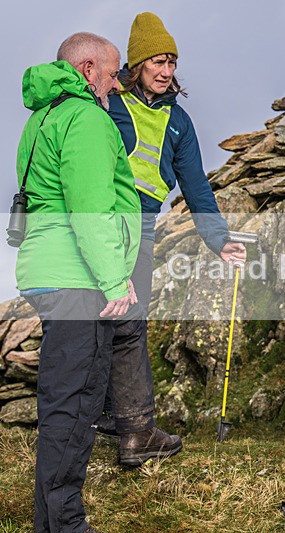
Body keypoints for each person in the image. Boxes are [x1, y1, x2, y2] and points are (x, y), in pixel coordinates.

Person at [99, 12, 246, 463]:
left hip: (141, 228)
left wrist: (219, 239)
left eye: (172, 63)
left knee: (128, 324)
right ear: (138, 63)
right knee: (93, 321)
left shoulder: (179, 122)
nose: (166, 71)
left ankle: (129, 428)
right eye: (158, 62)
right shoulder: (108, 104)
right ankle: (109, 420)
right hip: (98, 222)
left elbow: (196, 186)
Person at [15, 32, 140, 532]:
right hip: (78, 278)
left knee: (61, 402)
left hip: (48, 271)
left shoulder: (43, 116)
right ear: (88, 69)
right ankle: (66, 524)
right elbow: (89, 207)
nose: (117, 84)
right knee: (75, 406)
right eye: (112, 73)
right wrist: (113, 279)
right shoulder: (85, 118)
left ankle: (50, 523)